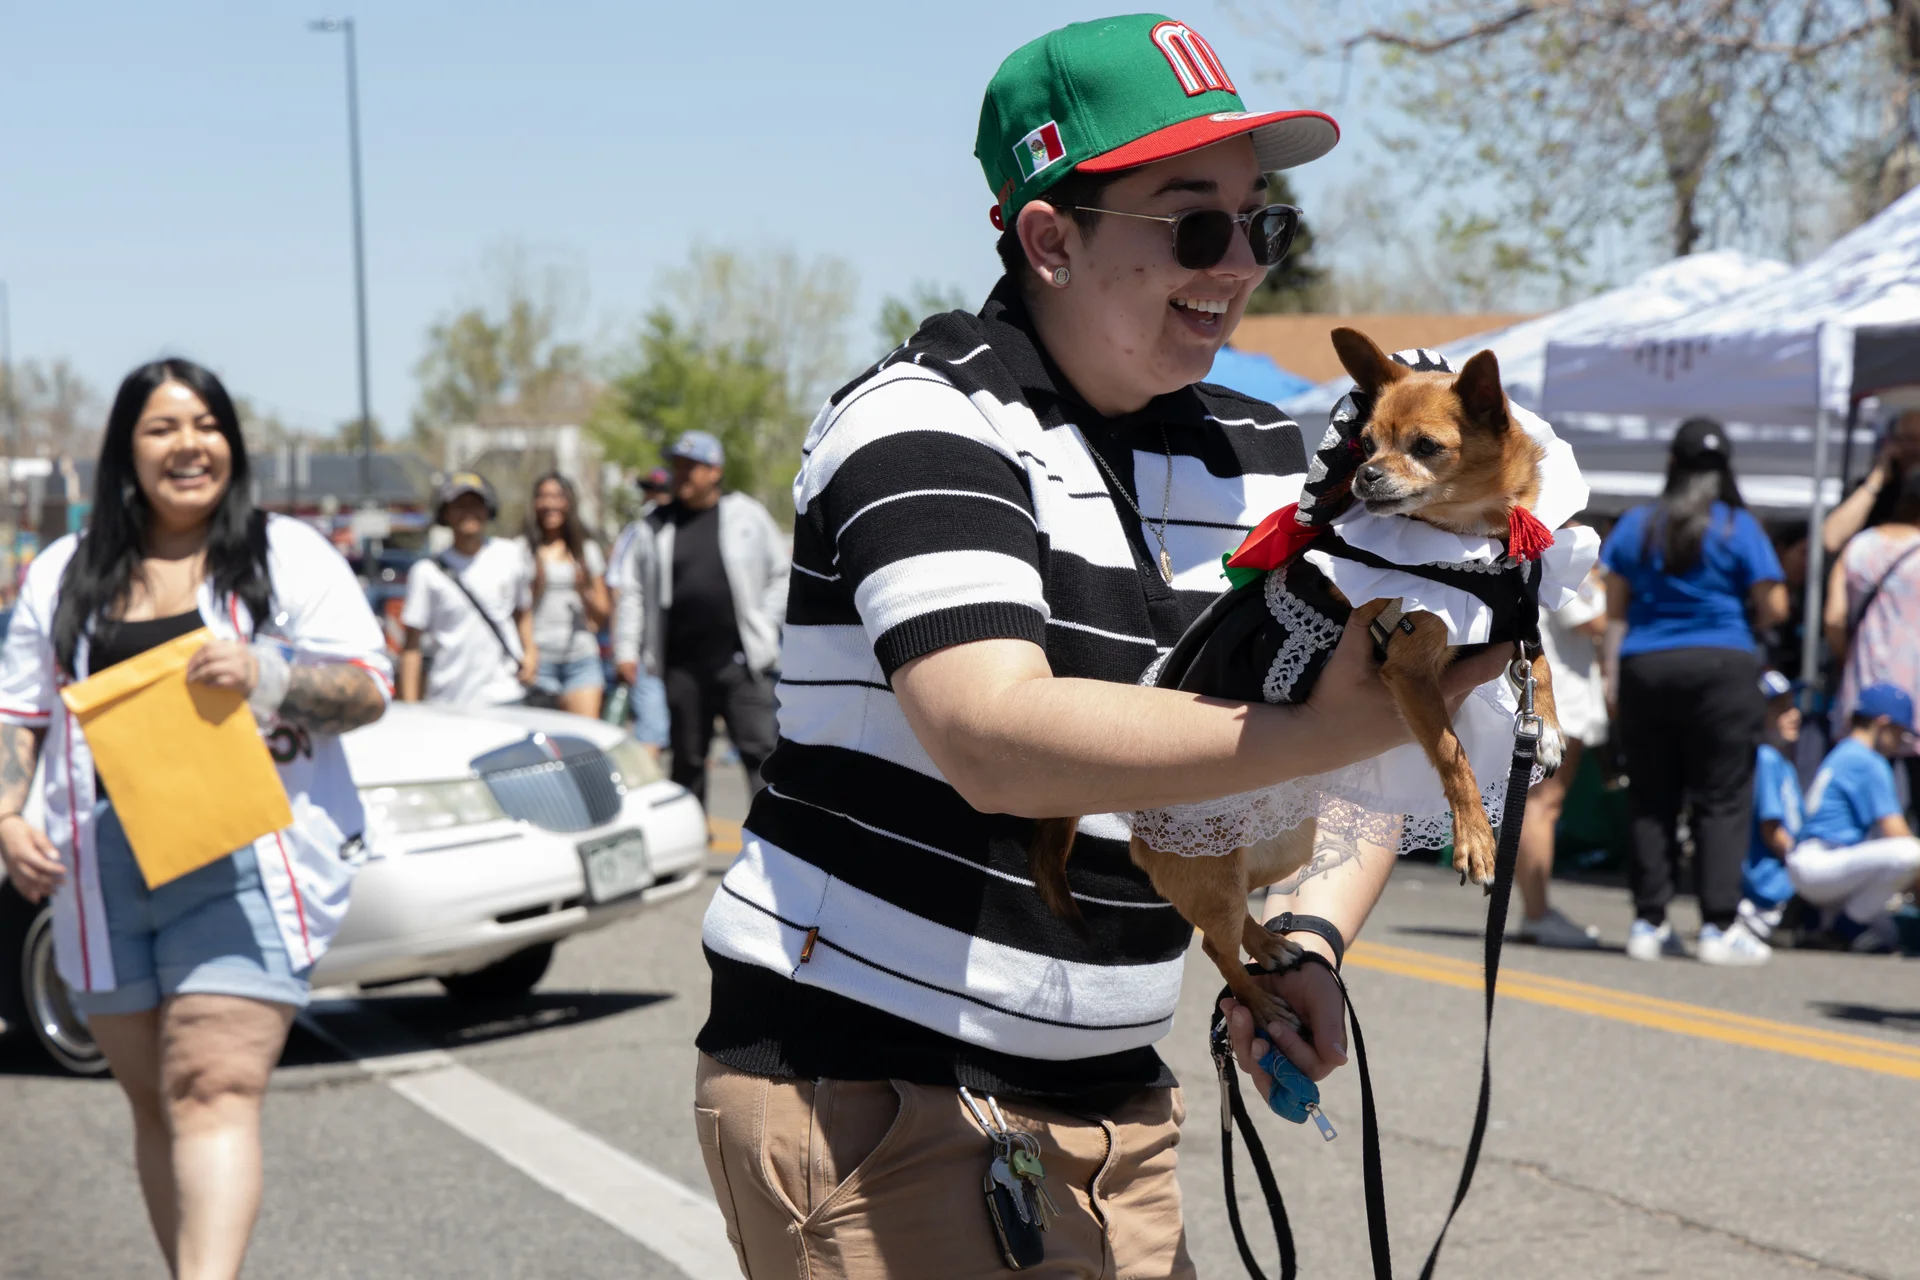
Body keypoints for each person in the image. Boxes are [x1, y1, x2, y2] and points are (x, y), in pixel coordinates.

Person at [689, 17, 1510, 1277]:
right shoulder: (920, 420)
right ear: (1049, 237)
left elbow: (1359, 765)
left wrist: (1303, 942)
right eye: (1193, 223)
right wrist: (1332, 724)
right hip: (878, 1087)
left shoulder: (1274, 458)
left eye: (1260, 222)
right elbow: (997, 737)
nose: (1238, 262)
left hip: (1119, 1099)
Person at [0, 358, 391, 1280]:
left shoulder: (288, 555)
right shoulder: (64, 571)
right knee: (154, 1104)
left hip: (249, 856)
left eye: (207, 424)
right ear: (125, 450)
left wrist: (272, 674)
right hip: (101, 870)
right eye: (163, 427)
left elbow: (369, 689)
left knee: (211, 1083)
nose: (189, 445)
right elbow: (18, 712)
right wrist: (8, 814)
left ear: (233, 441)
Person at [1601, 417, 1789, 966]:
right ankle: (1717, 926)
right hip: (1722, 666)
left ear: (1671, 464)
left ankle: (1648, 922)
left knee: (1650, 797)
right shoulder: (1738, 526)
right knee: (1722, 798)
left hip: (1647, 665)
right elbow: (1775, 605)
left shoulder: (1637, 525)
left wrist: (1611, 677)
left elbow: (1615, 608)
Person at [610, 431, 787, 806]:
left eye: (691, 467)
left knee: (762, 757)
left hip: (743, 663)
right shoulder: (654, 524)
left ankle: (775, 851)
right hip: (683, 666)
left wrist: (766, 623)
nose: (682, 475)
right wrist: (626, 648)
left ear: (715, 471)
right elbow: (634, 592)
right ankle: (690, 846)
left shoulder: (746, 513)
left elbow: (782, 574)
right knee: (687, 761)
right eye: (677, 466)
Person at [1787, 683, 1920, 952]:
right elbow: (1896, 830)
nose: (1899, 743)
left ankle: (1818, 922)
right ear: (1883, 723)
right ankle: (1843, 930)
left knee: (1889, 935)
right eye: (1899, 733)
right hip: (1822, 861)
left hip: (1818, 863)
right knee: (1910, 853)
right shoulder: (1868, 760)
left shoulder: (1844, 750)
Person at [1517, 553, 1607, 947]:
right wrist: (1606, 585)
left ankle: (1537, 910)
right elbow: (1593, 619)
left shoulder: (1539, 549)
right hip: (1558, 699)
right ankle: (1536, 912)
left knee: (1538, 802)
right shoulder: (1563, 551)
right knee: (1542, 803)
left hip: (1551, 694)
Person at [1822, 465, 1920, 813]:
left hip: (1862, 696)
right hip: (1916, 701)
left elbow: (1833, 618)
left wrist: (1846, 657)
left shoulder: (1860, 546)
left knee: (1862, 807)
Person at [398, 474, 536, 706]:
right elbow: (411, 646)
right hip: (449, 700)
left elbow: (523, 611)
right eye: (459, 506)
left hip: (505, 694)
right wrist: (410, 707)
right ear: (445, 513)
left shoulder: (510, 555)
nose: (468, 512)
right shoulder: (426, 572)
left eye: (475, 505)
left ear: (488, 510)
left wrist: (530, 652)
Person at [522, 471, 610, 717]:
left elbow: (603, 614)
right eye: (543, 497)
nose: (550, 504)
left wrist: (584, 592)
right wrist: (535, 588)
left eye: (557, 497)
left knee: (585, 745)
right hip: (539, 662)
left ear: (568, 502)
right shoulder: (522, 550)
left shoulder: (586, 550)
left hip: (581, 660)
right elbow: (517, 612)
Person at [608, 470, 673, 756]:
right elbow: (620, 590)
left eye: (661, 491)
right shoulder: (637, 530)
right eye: (649, 490)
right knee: (652, 728)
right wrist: (623, 648)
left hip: (688, 648)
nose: (655, 497)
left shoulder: (691, 526)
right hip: (650, 648)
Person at [1738, 670, 1803, 944]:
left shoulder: (1782, 760)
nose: (1794, 714)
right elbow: (1771, 829)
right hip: (1770, 886)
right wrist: (1804, 863)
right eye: (1781, 708)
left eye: (1793, 705)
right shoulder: (1765, 758)